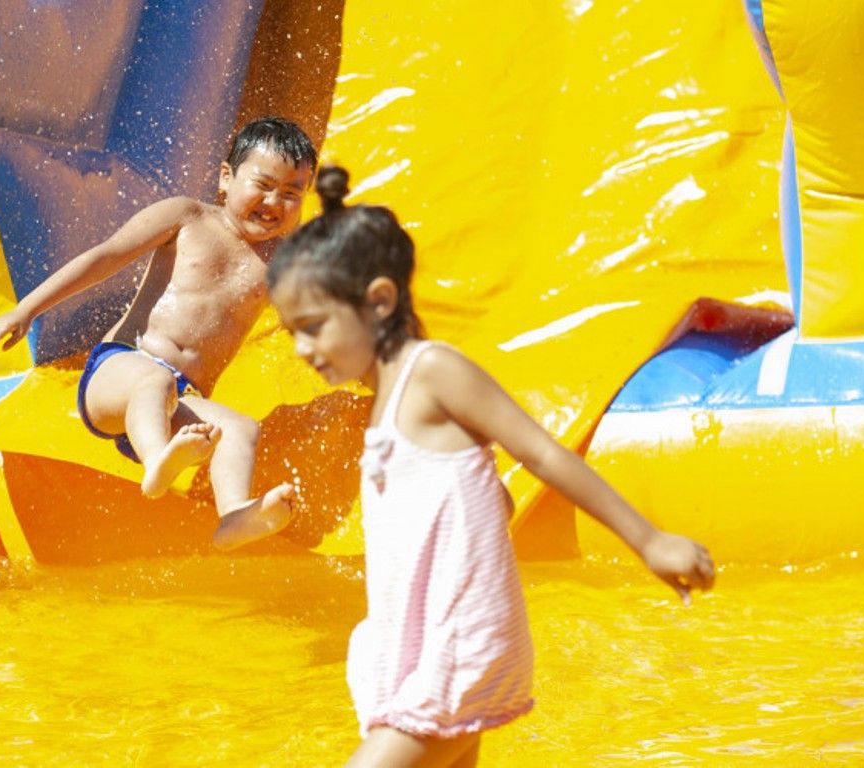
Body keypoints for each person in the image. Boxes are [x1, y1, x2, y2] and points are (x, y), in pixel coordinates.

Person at [266, 205, 716, 767]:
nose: (302, 349)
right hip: (422, 644)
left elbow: (542, 453)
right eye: (291, 332)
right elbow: (487, 497)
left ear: (378, 301)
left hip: (457, 646)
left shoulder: (429, 371)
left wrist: (650, 541)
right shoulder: (383, 403)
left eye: (312, 326)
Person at [0, 116, 318, 551]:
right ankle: (159, 461)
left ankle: (233, 515)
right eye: (264, 184)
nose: (275, 200)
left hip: (182, 402)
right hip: (119, 371)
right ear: (225, 178)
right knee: (154, 380)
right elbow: (106, 257)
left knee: (241, 428)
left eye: (292, 193)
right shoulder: (186, 217)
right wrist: (27, 310)